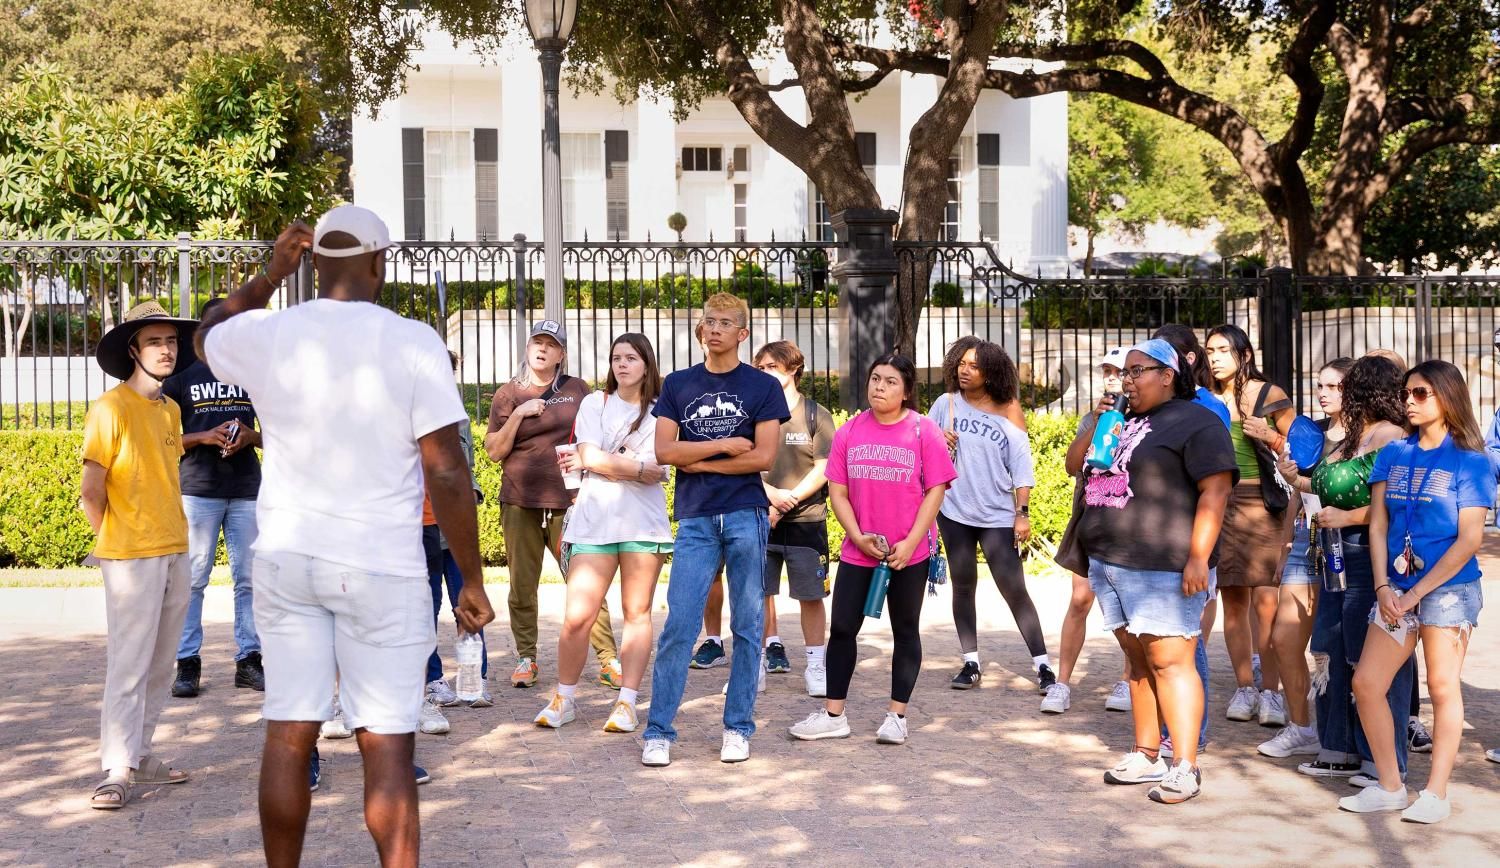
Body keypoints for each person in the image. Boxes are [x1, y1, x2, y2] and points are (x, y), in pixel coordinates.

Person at [197, 208, 495, 867]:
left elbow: (208, 333)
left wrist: (273, 273)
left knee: (288, 737)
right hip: (380, 567)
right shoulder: (413, 341)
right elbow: (445, 467)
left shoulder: (273, 333)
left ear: (315, 263)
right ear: (379, 262)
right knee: (387, 747)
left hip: (288, 559)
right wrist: (470, 577)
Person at [1081, 339, 1236, 805]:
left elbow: (1215, 493)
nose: (1126, 380)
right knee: (1137, 661)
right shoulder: (1123, 419)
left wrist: (1197, 558)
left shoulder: (1199, 423)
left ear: (1167, 374)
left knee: (1172, 663)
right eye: (1124, 373)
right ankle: (1146, 753)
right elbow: (1079, 467)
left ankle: (1185, 765)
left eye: (1136, 371)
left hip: (1163, 566)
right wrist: (1098, 421)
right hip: (1111, 561)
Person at [640, 293, 788, 767]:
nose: (715, 329)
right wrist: (726, 446)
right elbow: (664, 452)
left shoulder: (763, 387)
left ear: (743, 333)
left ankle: (738, 727)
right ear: (700, 330)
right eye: (709, 322)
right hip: (697, 518)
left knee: (747, 627)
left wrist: (698, 457)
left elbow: (764, 457)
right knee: (679, 625)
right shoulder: (678, 384)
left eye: (726, 323)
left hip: (747, 514)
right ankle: (658, 731)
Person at [1341, 360, 1492, 823]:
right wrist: (1385, 584)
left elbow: (1470, 540)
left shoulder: (1472, 460)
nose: (1409, 400)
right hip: (1397, 588)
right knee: (1367, 684)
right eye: (1407, 393)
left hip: (1448, 590)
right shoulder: (1394, 452)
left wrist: (1412, 593)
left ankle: (1436, 793)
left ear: (1447, 397)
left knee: (1443, 688)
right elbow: (1380, 522)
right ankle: (1389, 786)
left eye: (1421, 393)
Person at [788, 353, 955, 745]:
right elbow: (838, 493)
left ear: (907, 390)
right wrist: (858, 535)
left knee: (905, 630)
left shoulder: (923, 430)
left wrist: (912, 540)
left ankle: (897, 716)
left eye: (890, 381)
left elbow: (937, 490)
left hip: (907, 552)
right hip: (859, 551)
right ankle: (833, 714)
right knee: (843, 628)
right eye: (875, 378)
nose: (879, 387)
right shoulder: (850, 432)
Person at [81, 301, 199, 810]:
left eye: (171, 341)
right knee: (128, 665)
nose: (166, 349)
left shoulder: (170, 410)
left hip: (176, 548)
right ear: (133, 350)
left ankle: (141, 750)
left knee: (161, 663)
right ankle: (116, 767)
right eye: (155, 342)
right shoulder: (110, 408)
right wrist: (113, 546)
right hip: (131, 556)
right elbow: (92, 489)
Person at [535, 334, 672, 733]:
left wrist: (609, 464)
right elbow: (589, 456)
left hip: (642, 523)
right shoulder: (595, 402)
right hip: (594, 521)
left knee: (636, 613)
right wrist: (636, 469)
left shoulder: (663, 410)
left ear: (647, 363)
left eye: (631, 358)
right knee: (577, 616)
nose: (622, 364)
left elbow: (661, 466)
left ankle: (627, 702)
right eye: (616, 358)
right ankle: (565, 697)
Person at [1295, 355, 1412, 782]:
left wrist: (1347, 517)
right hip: (1332, 553)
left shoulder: (1393, 437)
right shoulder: (1351, 438)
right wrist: (1296, 478)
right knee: (1329, 647)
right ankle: (1337, 747)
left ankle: (1380, 759)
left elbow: (1396, 506)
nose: (1337, 395)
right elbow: (1325, 485)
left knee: (1371, 658)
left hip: (1369, 554)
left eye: (1348, 387)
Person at [485, 320, 619, 690]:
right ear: (528, 349)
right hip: (520, 501)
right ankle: (526, 657)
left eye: (550, 344)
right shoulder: (507, 394)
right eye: (536, 343)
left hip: (570, 501)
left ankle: (608, 659)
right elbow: (494, 452)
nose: (542, 349)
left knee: (586, 582)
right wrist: (518, 414)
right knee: (521, 585)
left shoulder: (577, 390)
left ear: (561, 354)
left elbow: (600, 436)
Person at [927, 337, 1052, 695]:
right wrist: (940, 440)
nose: (965, 371)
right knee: (963, 584)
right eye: (961, 364)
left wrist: (1022, 512)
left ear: (991, 371)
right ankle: (971, 662)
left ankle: (1043, 665)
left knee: (1014, 588)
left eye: (974, 366)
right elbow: (922, 446)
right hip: (954, 510)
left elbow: (1022, 466)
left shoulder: (1009, 408)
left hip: (997, 513)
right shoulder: (945, 403)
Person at [162, 299, 265, 699]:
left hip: (245, 490)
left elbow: (281, 434)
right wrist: (203, 436)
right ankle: (187, 665)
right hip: (198, 489)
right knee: (193, 580)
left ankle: (249, 661)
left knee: (249, 579)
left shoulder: (254, 375)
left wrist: (251, 436)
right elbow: (161, 440)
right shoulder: (180, 376)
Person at [1258, 357, 1354, 760]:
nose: (1323, 393)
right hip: (1306, 539)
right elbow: (1298, 494)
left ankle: (1345, 735)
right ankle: (1302, 727)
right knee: (1283, 638)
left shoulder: (1366, 437)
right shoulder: (1310, 431)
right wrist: (1284, 546)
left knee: (1332, 647)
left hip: (1346, 541)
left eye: (1334, 387)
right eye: (1320, 386)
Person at [1205, 323, 1295, 726]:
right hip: (1219, 502)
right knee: (1233, 601)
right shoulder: (1202, 398)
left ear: (1244, 354)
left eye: (1223, 350)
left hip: (1262, 501)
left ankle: (1271, 692)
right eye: (1210, 351)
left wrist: (1271, 437)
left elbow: (1306, 450)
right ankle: (1245, 687)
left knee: (1267, 600)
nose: (1215, 358)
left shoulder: (1268, 394)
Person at [752, 340, 835, 697]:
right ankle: (752, 667)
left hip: (807, 521)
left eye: (773, 366)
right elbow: (747, 461)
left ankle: (816, 665)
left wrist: (790, 499)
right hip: (760, 518)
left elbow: (825, 467)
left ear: (793, 369)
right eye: (761, 368)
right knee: (754, 595)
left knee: (811, 596)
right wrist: (770, 498)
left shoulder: (817, 414)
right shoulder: (753, 413)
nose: (766, 373)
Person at [1053, 347, 1132, 714]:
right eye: (1107, 371)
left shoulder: (1145, 418)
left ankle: (1126, 681)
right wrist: (1099, 423)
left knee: (1128, 606)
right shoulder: (1093, 416)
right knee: (1081, 599)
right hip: (1090, 514)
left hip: (1126, 518)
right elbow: (1073, 465)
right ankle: (1062, 683)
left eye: (1120, 370)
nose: (1113, 377)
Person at [419, 351, 488, 731]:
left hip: (454, 533)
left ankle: (474, 680)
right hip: (421, 528)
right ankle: (431, 682)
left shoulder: (458, 419)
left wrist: (472, 492)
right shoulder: (405, 413)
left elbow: (466, 469)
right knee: (423, 608)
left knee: (469, 602)